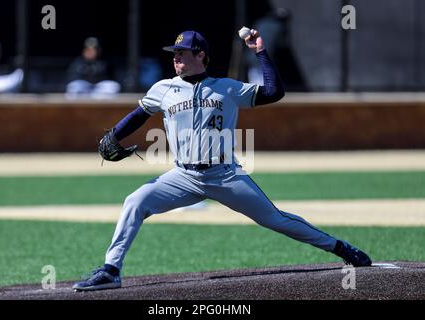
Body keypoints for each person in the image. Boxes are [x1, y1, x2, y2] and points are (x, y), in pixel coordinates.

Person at [73, 30, 372, 291]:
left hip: (224, 175)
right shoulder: (163, 89)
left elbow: (273, 92)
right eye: (174, 53)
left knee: (276, 219)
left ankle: (340, 247)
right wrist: (114, 134)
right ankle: (111, 270)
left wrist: (260, 51)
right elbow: (138, 115)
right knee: (135, 201)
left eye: (182, 53)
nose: (175, 58)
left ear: (200, 55)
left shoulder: (227, 87)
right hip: (183, 177)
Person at [246, 1, 308, 91]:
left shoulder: (260, 23)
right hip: (263, 58)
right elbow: (282, 45)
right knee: (262, 90)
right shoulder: (279, 27)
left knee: (255, 86)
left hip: (252, 58)